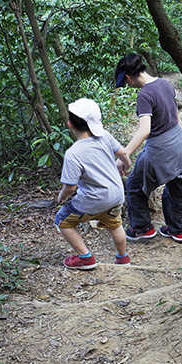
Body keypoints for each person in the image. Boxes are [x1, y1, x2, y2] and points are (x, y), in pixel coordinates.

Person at [114, 53, 182, 243]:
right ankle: (177, 230)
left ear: (128, 77)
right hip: (179, 144)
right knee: (175, 184)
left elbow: (145, 130)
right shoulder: (165, 83)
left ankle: (142, 227)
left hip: (160, 149)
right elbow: (175, 114)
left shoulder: (145, 94)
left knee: (134, 186)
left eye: (125, 82)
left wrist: (123, 155)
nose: (128, 85)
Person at [54, 98, 132, 269]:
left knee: (62, 220)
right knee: (115, 224)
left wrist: (60, 198)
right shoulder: (105, 136)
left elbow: (71, 187)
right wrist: (125, 166)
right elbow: (124, 153)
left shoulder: (73, 153)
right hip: (116, 194)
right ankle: (122, 257)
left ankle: (85, 258)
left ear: (70, 125)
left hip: (93, 199)